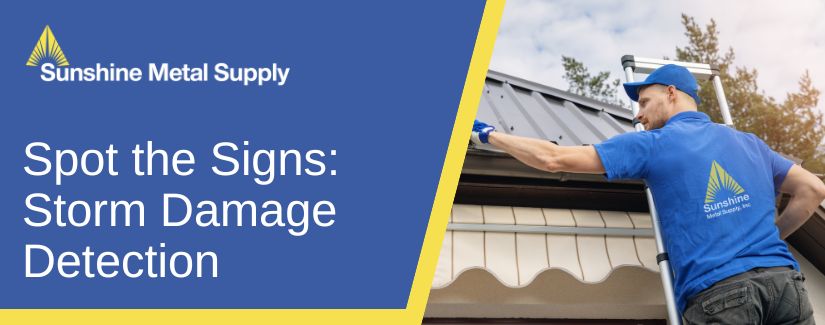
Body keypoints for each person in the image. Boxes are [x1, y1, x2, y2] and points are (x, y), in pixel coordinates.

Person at [471, 64, 824, 324]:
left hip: (721, 292)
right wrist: (767, 237)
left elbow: (554, 158)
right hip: (786, 287)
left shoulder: (654, 144)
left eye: (643, 101)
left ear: (671, 93)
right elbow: (812, 189)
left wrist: (488, 135)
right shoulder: (750, 143)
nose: (638, 115)